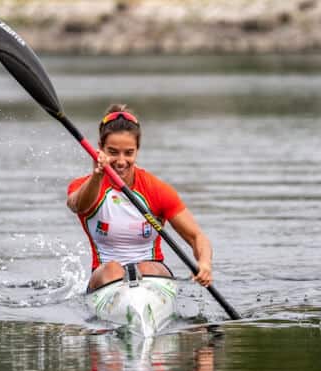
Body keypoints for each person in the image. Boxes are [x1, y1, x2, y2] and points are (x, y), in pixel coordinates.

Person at [66, 104, 213, 293]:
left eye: (129, 153)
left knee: (147, 267)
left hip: (152, 272)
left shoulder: (156, 190)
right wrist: (97, 176)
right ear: (100, 149)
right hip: (105, 277)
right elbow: (77, 205)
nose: (120, 161)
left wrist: (205, 264)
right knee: (112, 269)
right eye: (112, 152)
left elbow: (197, 236)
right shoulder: (83, 186)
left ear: (137, 150)